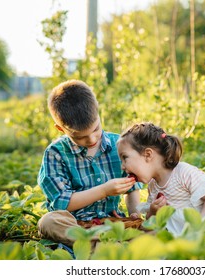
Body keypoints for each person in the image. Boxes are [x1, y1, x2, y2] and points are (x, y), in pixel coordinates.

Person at [37, 80, 142, 248]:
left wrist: (135, 214)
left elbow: (132, 188)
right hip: (75, 225)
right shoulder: (55, 154)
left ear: (98, 111)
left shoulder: (119, 144)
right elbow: (62, 203)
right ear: (60, 129)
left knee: (150, 225)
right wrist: (104, 191)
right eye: (79, 137)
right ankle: (104, 245)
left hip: (112, 222)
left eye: (95, 129)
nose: (92, 139)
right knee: (48, 222)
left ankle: (98, 245)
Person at [117, 122, 205, 251]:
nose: (122, 166)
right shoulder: (153, 186)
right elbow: (152, 224)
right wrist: (153, 211)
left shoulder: (183, 173)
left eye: (125, 158)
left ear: (148, 154)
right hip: (184, 244)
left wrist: (199, 227)